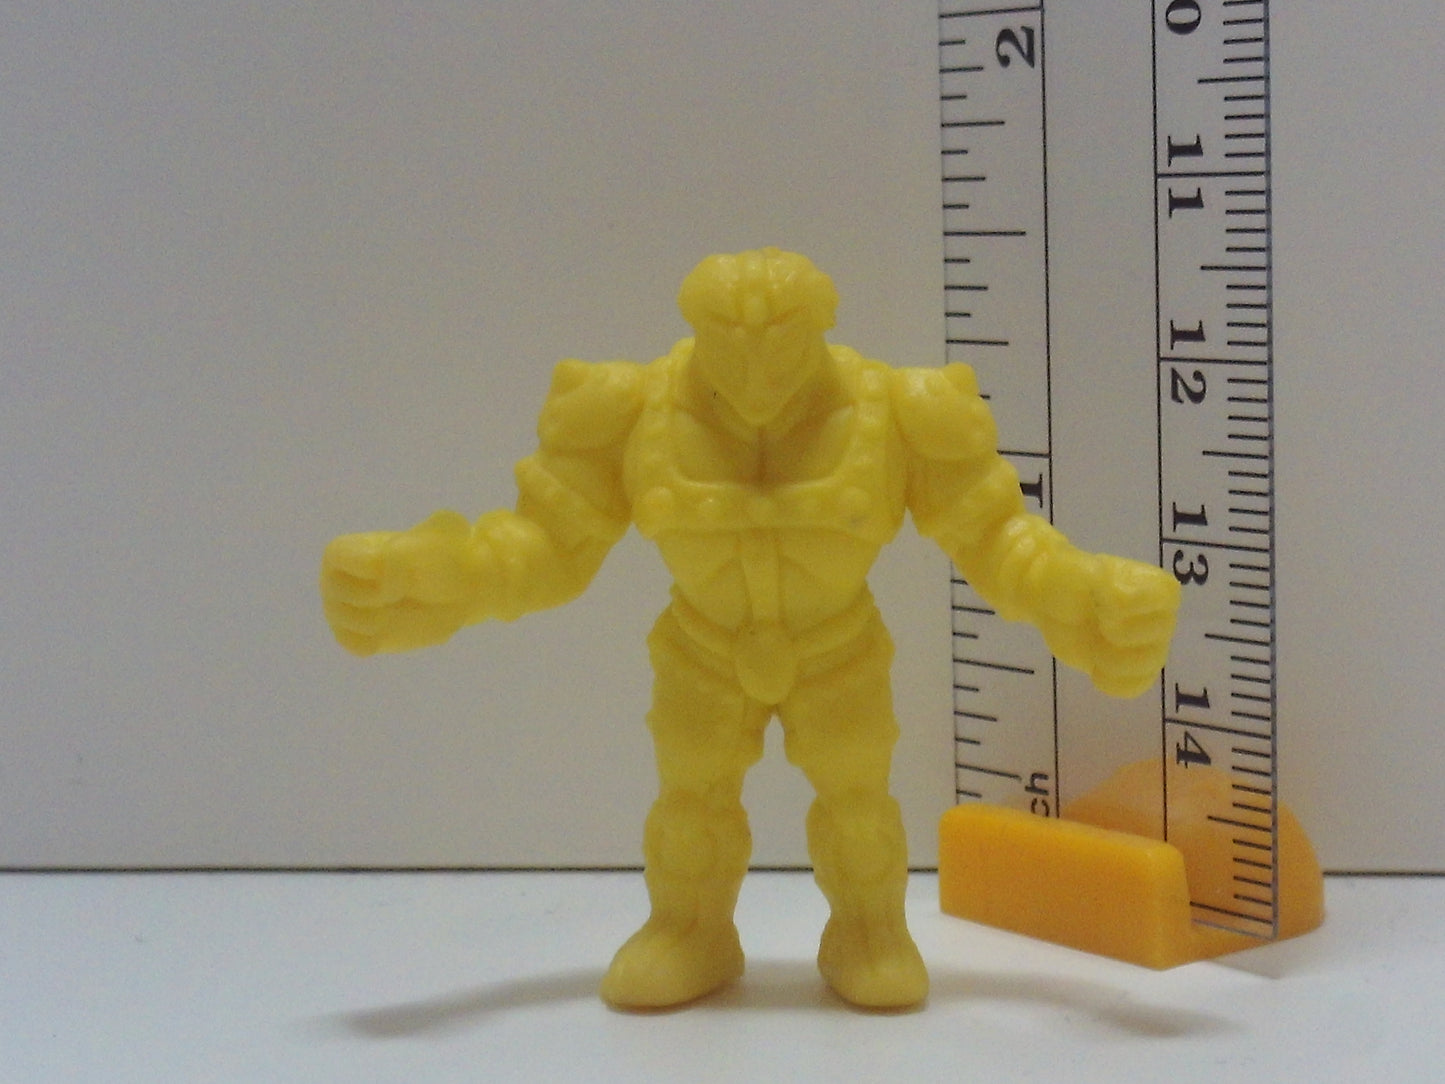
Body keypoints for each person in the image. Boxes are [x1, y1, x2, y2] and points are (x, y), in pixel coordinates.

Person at [320, 248, 1179, 1009]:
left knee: (858, 810)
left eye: (780, 338)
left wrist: (1084, 596)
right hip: (702, 647)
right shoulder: (627, 408)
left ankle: (868, 933)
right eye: (728, 338)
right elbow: (546, 544)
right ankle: (689, 931)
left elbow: (994, 538)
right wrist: (435, 576)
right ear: (695, 328)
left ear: (821, 327)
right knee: (689, 809)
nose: (755, 365)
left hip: (837, 648)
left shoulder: (899, 408)